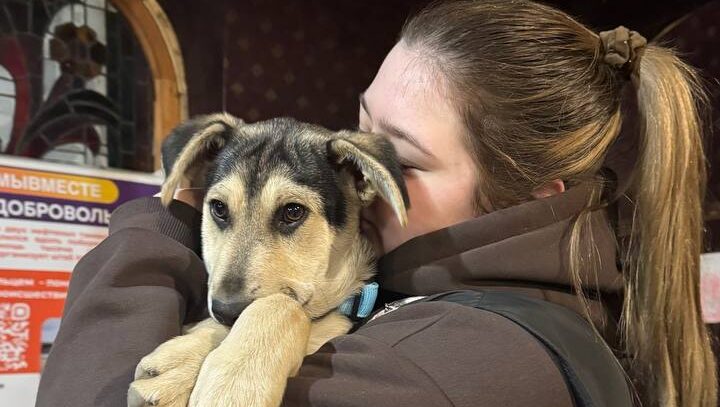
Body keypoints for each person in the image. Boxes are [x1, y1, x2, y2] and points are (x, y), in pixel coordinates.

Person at [36, 1, 717, 406]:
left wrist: (164, 214)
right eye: (357, 125)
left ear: (532, 198)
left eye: (400, 159)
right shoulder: (566, 298)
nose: (349, 174)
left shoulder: (428, 367)